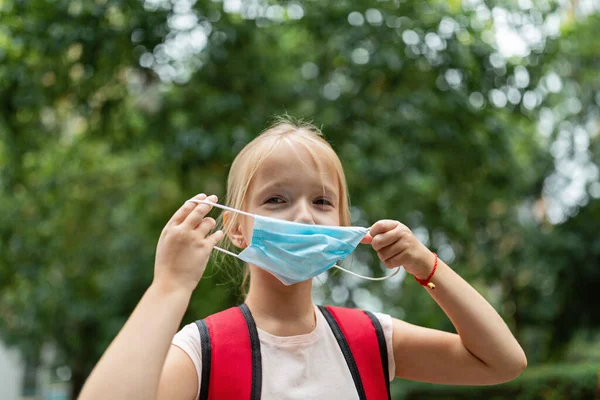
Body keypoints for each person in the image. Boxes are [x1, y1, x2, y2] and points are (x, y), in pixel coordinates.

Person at [78, 120, 527, 400]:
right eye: (275, 199)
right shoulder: (203, 352)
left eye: (323, 201)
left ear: (345, 228)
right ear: (236, 228)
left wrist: (427, 267)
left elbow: (502, 363)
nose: (304, 216)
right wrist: (169, 287)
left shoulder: (370, 339)